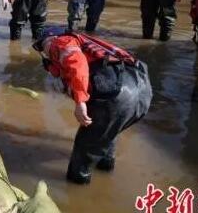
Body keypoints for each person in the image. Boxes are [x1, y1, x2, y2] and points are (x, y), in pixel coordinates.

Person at [33, 26, 152, 184]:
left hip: (116, 94)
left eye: (43, 46)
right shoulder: (85, 43)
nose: (45, 52)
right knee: (107, 134)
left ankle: (77, 189)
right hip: (142, 91)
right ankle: (106, 172)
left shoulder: (61, 42)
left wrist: (80, 101)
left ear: (51, 38)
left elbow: (76, 63)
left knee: (83, 152)